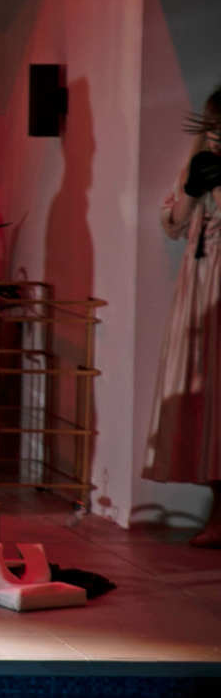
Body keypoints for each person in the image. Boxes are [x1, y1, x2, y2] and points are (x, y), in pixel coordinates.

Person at [144, 84, 221, 548]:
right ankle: (217, 508)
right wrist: (195, 188)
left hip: (218, 295)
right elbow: (171, 223)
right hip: (199, 294)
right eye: (212, 128)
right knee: (202, 398)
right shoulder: (198, 166)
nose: (216, 137)